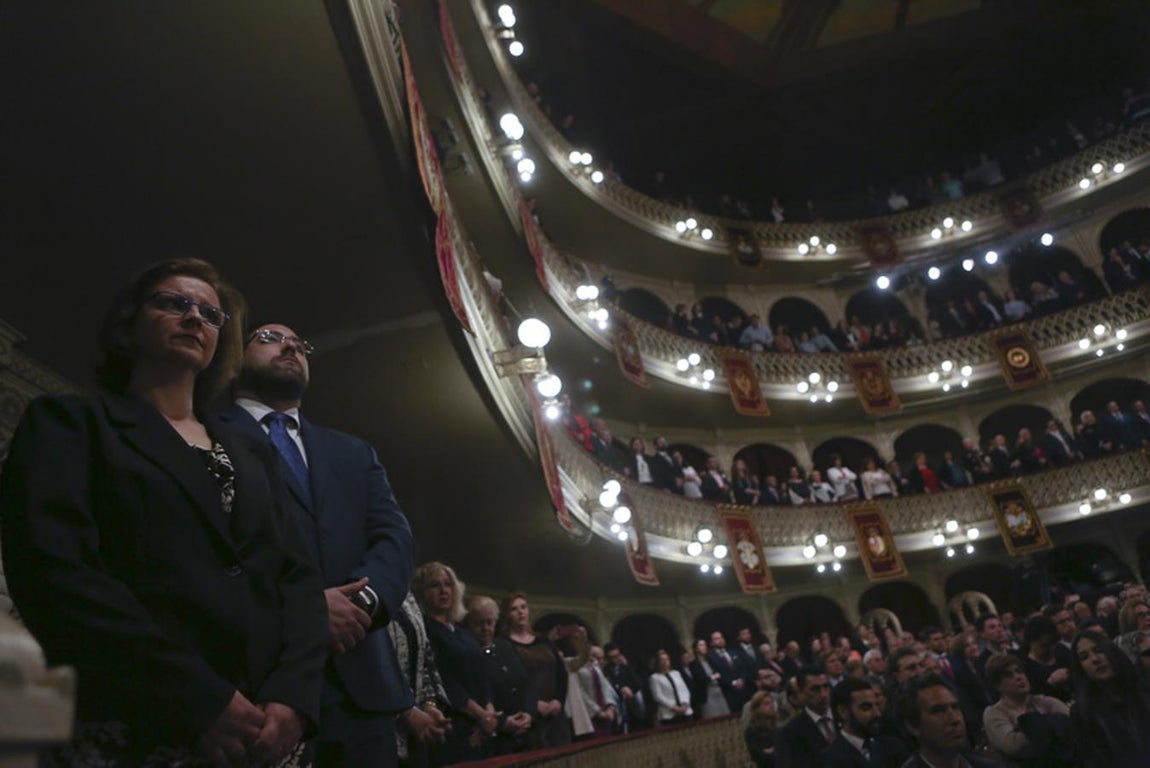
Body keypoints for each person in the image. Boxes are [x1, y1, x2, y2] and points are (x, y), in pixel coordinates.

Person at [0, 258, 328, 766]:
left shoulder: (251, 452)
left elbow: (299, 577)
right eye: (174, 303)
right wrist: (197, 698)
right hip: (134, 722)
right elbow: (56, 572)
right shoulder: (71, 423)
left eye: (210, 314)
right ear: (130, 322)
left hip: (264, 733)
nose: (195, 317)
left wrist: (294, 698)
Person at [222, 321, 415, 768]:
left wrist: (362, 603)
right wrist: (308, 610)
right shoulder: (204, 432)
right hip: (259, 684)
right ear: (234, 360)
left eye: (300, 343)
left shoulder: (352, 451)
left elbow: (395, 537)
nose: (290, 344)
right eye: (268, 337)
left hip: (359, 683)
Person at [412, 563, 497, 763]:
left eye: (448, 584)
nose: (443, 591)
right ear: (422, 592)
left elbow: (482, 676)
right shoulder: (425, 630)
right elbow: (444, 681)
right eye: (435, 585)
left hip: (482, 727)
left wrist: (489, 715)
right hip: (453, 726)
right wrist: (481, 716)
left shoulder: (460, 631)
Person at [463, 595, 535, 755]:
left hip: (526, 732)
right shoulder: (467, 654)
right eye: (479, 623)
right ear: (468, 623)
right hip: (494, 740)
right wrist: (502, 723)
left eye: (489, 622)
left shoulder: (505, 646)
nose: (485, 628)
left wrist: (529, 714)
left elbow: (527, 683)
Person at [1069, 630, 1150, 768]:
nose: (1095, 659)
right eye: (1084, 657)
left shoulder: (1143, 688)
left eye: (1098, 650)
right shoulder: (1082, 712)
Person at [502, 593, 573, 748]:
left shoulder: (543, 641)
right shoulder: (504, 645)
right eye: (514, 609)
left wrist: (558, 700)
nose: (520, 612)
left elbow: (561, 674)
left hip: (555, 714)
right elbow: (509, 681)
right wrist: (533, 704)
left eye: (523, 607)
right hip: (529, 717)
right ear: (507, 615)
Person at [981, 654, 1073, 768]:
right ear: (998, 685)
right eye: (1008, 675)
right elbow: (1014, 746)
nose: (1018, 677)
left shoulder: (1044, 701)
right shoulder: (994, 713)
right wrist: (1055, 729)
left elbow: (1073, 725)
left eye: (1019, 671)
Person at [819, 678, 906, 767]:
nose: (877, 714)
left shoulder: (894, 748)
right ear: (843, 711)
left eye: (876, 705)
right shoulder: (829, 759)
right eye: (866, 707)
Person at [777, 666, 833, 768]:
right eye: (815, 689)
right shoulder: (791, 732)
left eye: (826, 687)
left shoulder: (846, 717)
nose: (823, 694)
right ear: (801, 693)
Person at [649, 649, 693, 726]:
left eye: (667, 659)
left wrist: (685, 704)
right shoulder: (655, 677)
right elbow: (658, 696)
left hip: (685, 710)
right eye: (662, 660)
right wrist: (674, 707)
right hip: (669, 713)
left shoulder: (676, 673)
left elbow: (685, 690)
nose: (665, 662)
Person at [689, 638, 731, 718]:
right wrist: (712, 677)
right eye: (701, 645)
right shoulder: (694, 664)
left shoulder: (710, 660)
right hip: (707, 693)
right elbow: (700, 680)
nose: (704, 647)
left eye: (704, 645)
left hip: (718, 690)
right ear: (696, 649)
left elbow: (719, 673)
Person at [744, 690, 779, 767]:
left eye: (772, 702)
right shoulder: (752, 731)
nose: (771, 706)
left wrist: (772, 750)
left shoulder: (778, 726)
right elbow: (760, 757)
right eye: (766, 704)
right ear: (757, 708)